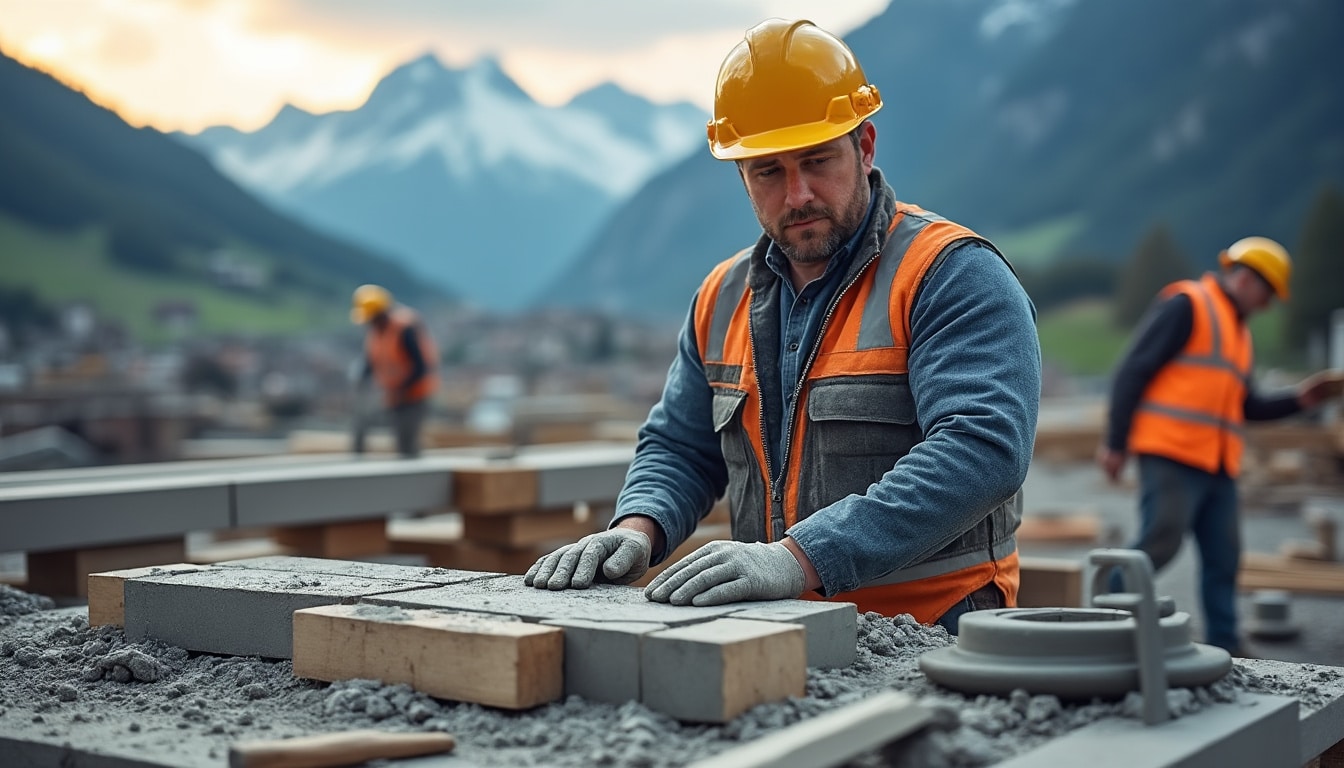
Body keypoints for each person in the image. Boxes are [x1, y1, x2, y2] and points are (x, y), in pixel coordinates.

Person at [525, 18, 1042, 634]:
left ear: (866, 145)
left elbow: (980, 450)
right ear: (742, 177)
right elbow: (681, 447)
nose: (797, 194)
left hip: (934, 636)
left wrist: (798, 560)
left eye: (817, 160)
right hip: (777, 635)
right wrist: (640, 527)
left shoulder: (948, 275)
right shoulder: (721, 298)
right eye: (768, 171)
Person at [1097, 236, 1344, 655]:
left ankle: (1227, 646)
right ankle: (1106, 622)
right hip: (1171, 452)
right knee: (1160, 541)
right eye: (1267, 294)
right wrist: (1116, 442)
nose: (1266, 306)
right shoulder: (1187, 305)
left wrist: (1300, 399)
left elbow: (1246, 405)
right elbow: (1132, 370)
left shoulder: (1239, 336)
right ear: (1247, 279)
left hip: (1217, 463)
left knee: (1224, 557)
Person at [350, 283, 439, 458]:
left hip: (415, 395)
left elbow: (422, 366)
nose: (370, 323)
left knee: (406, 443)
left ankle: (413, 477)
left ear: (382, 312)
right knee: (366, 425)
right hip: (393, 395)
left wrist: (401, 389)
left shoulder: (405, 328)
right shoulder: (376, 332)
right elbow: (372, 361)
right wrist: (361, 378)